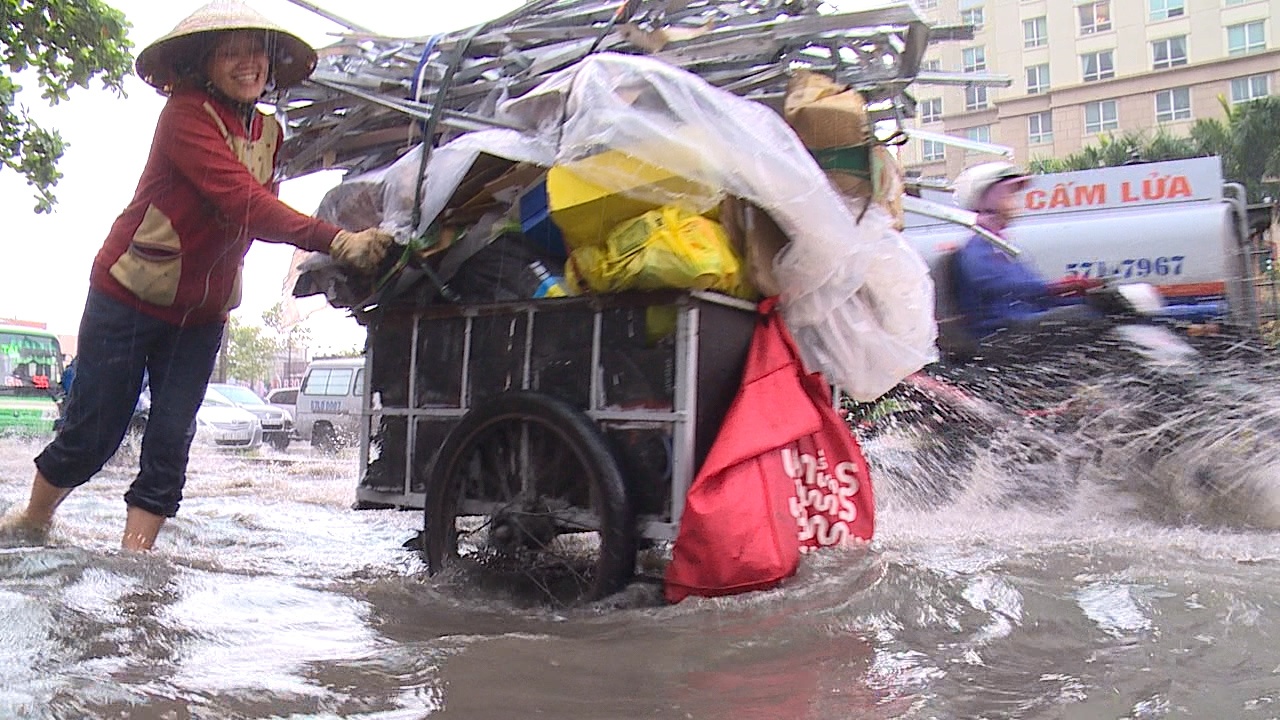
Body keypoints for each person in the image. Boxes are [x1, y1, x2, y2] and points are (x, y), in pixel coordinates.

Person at [0, 1, 393, 551]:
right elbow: (241, 200)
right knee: (94, 434)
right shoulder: (185, 115)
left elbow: (258, 212)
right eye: (230, 52)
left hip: (203, 314)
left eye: (256, 52)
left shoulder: (269, 132)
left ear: (270, 62)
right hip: (129, 293)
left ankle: (136, 562)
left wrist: (334, 244)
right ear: (203, 62)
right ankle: (33, 520)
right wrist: (335, 238)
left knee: (171, 442)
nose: (247, 63)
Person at [949, 161, 1102, 358]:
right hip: (1003, 334)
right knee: (1081, 317)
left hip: (1023, 324)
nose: (1014, 200)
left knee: (1101, 306)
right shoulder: (977, 249)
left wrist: (1078, 294)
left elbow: (1034, 295)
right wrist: (1054, 288)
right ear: (984, 198)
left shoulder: (1001, 246)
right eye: (1008, 193)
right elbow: (1006, 286)